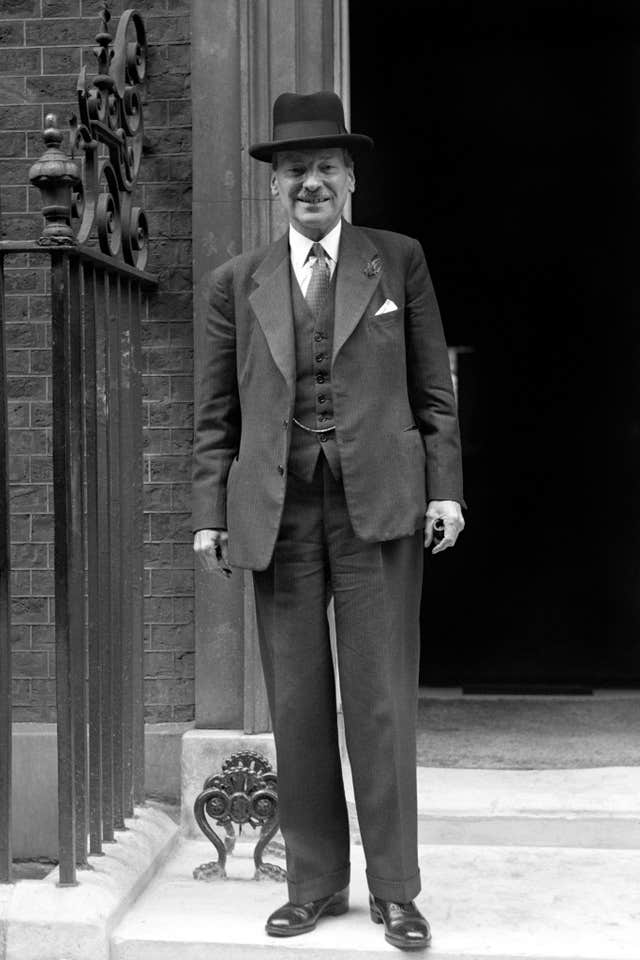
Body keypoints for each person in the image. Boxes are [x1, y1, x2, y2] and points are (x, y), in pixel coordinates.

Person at [192, 90, 465, 952]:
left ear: (350, 179)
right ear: (276, 186)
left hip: (379, 503)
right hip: (277, 509)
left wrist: (447, 489)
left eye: (326, 168)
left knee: (379, 700)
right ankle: (315, 884)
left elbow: (434, 391)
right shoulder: (237, 283)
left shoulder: (399, 261)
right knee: (299, 701)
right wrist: (209, 513)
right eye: (295, 170)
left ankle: (397, 892)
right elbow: (213, 416)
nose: (311, 182)